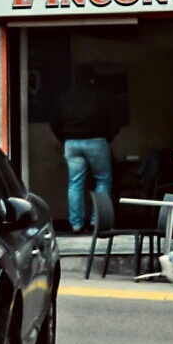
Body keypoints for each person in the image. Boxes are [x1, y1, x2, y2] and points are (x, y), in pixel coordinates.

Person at [51, 65, 118, 233]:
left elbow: (54, 122)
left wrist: (65, 138)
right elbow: (115, 120)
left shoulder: (65, 97)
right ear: (92, 79)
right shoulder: (101, 96)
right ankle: (97, 221)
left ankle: (76, 224)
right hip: (96, 141)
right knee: (102, 180)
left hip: (72, 143)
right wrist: (107, 137)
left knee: (75, 184)